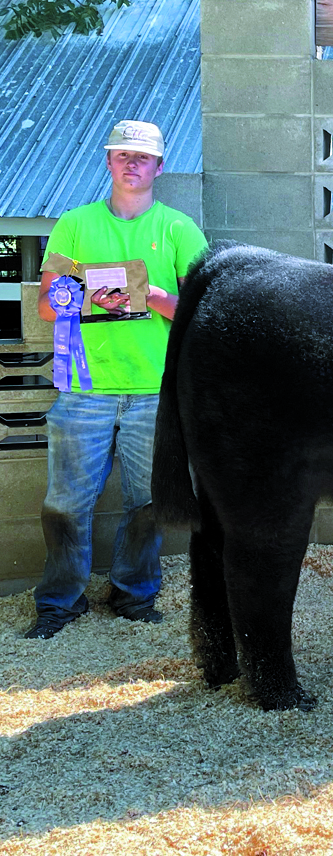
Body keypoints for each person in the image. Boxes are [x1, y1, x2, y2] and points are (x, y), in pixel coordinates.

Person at [24, 120, 208, 639]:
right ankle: (59, 602)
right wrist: (90, 297)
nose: (132, 163)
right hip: (82, 391)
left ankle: (133, 595)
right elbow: (44, 304)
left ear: (158, 167)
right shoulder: (75, 226)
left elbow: (200, 307)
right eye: (122, 154)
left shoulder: (177, 229)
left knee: (148, 504)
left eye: (142, 157)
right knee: (63, 503)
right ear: (108, 162)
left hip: (154, 392)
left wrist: (146, 294)